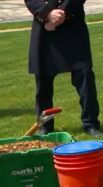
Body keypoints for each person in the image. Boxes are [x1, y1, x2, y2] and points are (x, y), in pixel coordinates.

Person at [25, 0, 101, 137]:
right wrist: (47, 13)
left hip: (73, 27)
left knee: (85, 77)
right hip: (44, 29)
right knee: (43, 85)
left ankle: (91, 124)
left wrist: (60, 15)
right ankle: (45, 126)